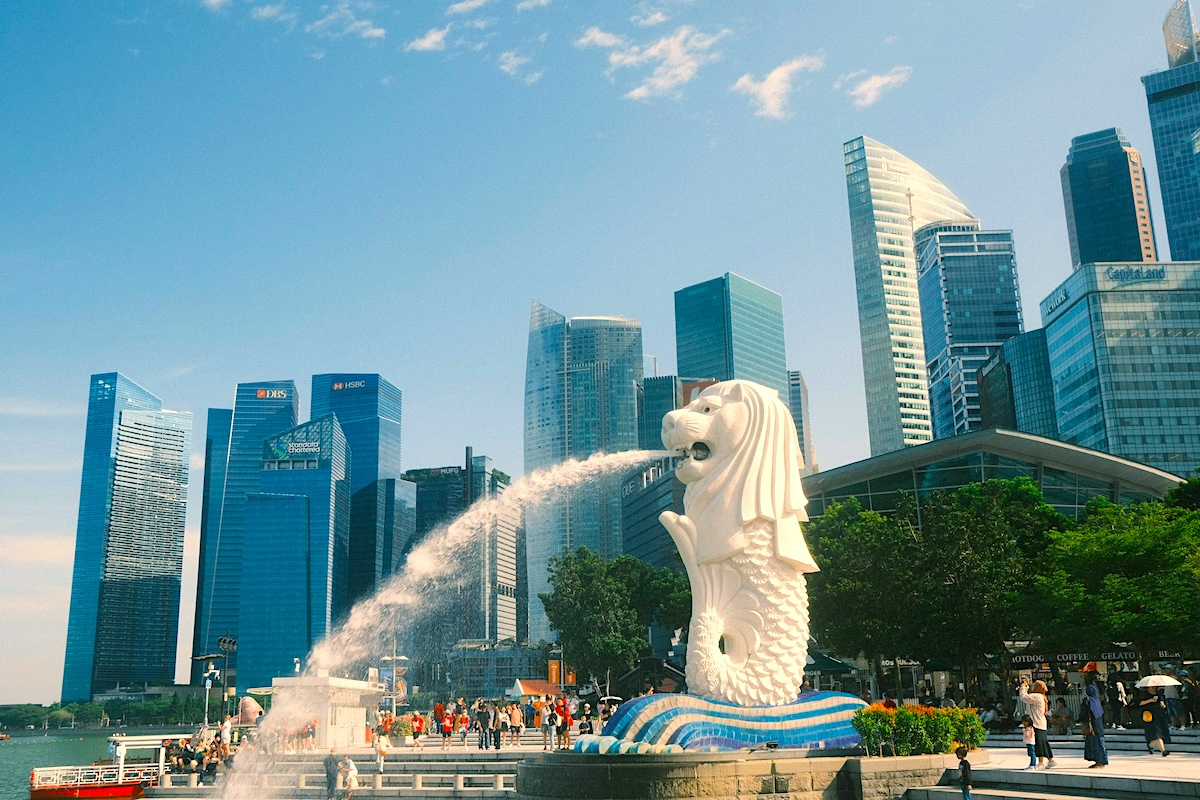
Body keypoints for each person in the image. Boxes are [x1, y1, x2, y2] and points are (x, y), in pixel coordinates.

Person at [1018, 679, 1056, 769]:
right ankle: (1050, 760)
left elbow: (1023, 697)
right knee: (1043, 743)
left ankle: (1041, 763)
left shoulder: (1037, 696)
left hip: (1036, 723)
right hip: (1040, 723)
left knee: (1038, 744)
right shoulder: (1040, 696)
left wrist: (1023, 687)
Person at [1081, 675, 1108, 768]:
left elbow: (1083, 713)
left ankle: (1099, 762)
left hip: (1091, 726)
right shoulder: (1097, 701)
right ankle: (1102, 761)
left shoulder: (1087, 700)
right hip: (1098, 726)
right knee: (1100, 743)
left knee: (1094, 743)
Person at [1138, 686, 1171, 756]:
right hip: (1149, 716)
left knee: (1159, 733)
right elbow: (1140, 703)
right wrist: (1150, 700)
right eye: (1151, 686)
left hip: (1159, 715)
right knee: (1157, 733)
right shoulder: (1144, 694)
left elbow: (1162, 701)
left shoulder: (1159, 694)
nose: (1153, 687)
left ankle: (1150, 745)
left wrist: (1162, 704)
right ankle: (1163, 751)